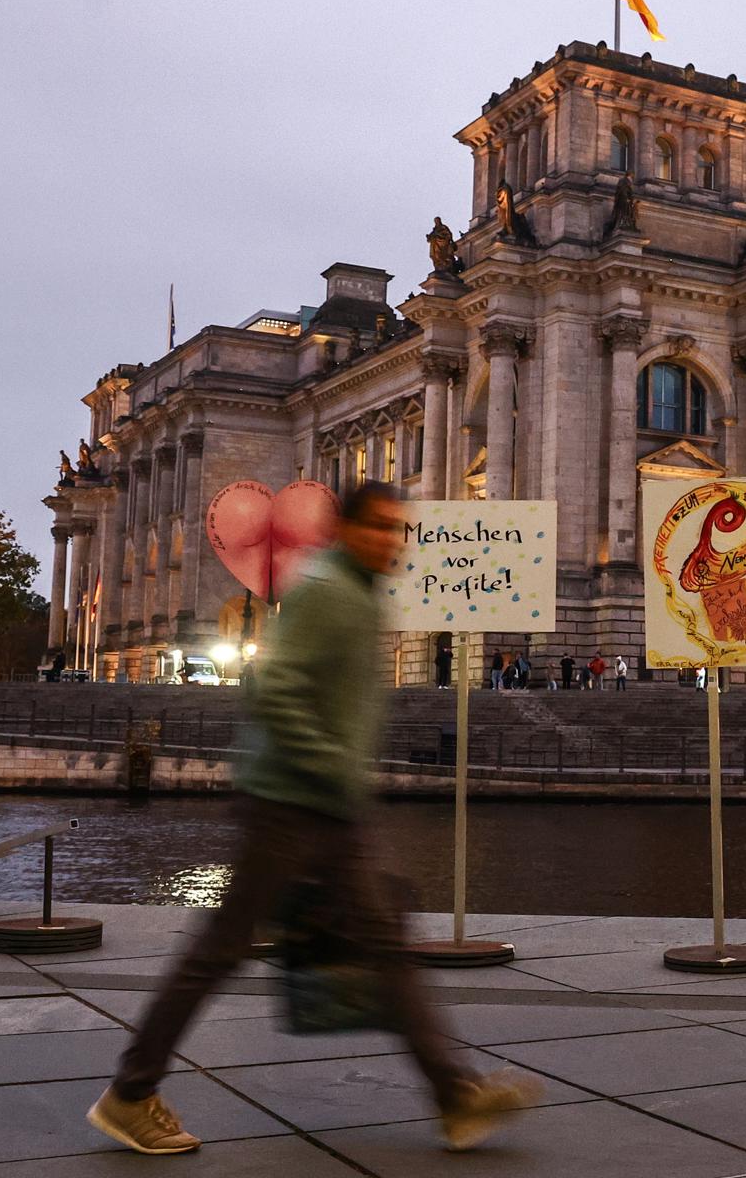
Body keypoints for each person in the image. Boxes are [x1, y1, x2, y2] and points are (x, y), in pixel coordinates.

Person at [87, 483, 541, 1156]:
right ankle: (130, 1092)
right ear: (346, 530)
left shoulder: (356, 593)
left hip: (325, 802)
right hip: (290, 801)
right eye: (378, 527)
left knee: (383, 949)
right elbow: (277, 690)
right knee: (221, 951)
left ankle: (455, 1096)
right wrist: (331, 763)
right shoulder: (328, 591)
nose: (391, 541)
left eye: (399, 529)